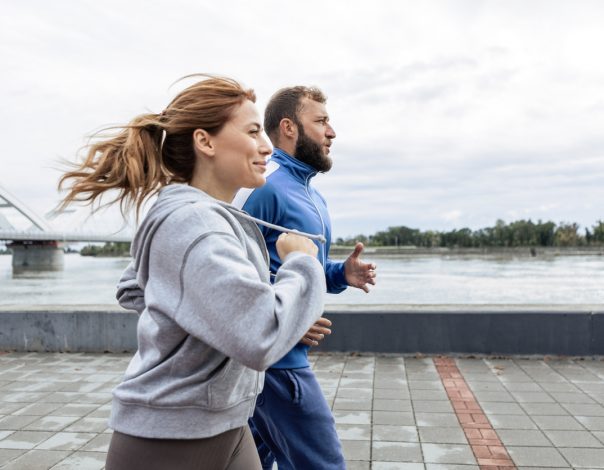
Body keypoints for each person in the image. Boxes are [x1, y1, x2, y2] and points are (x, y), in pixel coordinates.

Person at [58, 76, 328, 470]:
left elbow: (136, 286)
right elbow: (260, 335)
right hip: (169, 436)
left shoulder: (209, 218)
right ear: (206, 142)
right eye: (252, 131)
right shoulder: (195, 223)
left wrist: (216, 315)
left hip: (227, 421)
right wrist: (300, 264)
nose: (266, 145)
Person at [233, 86, 377, 470]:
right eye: (321, 122)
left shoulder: (312, 195)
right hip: (277, 362)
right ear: (289, 127)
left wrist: (339, 274)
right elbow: (231, 269)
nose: (332, 132)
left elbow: (297, 268)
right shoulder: (263, 187)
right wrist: (289, 320)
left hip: (278, 356)